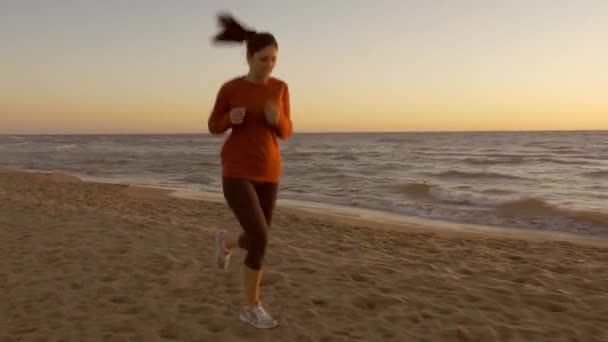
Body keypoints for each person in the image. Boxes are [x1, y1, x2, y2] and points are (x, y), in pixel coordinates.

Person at [207, 13, 293, 329]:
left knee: (258, 238)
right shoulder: (231, 88)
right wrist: (231, 117)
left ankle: (226, 242)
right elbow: (213, 125)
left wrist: (277, 119)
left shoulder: (281, 88)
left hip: (269, 171)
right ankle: (250, 305)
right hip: (236, 170)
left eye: (273, 60)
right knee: (259, 237)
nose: (269, 65)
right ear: (249, 57)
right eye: (263, 59)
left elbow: (287, 131)